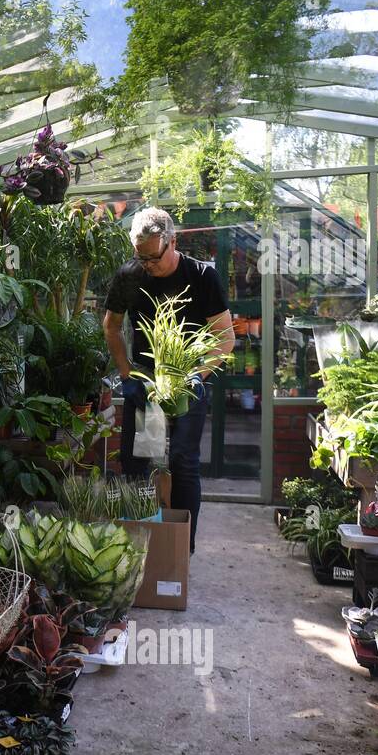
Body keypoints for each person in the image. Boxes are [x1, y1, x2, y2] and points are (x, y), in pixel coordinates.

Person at [102, 207, 234, 553]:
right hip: (145, 388)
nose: (147, 265)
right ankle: (140, 541)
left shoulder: (202, 276)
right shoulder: (130, 275)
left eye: (153, 258)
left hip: (187, 387)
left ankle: (179, 548)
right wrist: (125, 369)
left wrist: (196, 375)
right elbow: (111, 326)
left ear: (172, 241)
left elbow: (225, 338)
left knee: (182, 461)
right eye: (140, 257)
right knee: (138, 461)